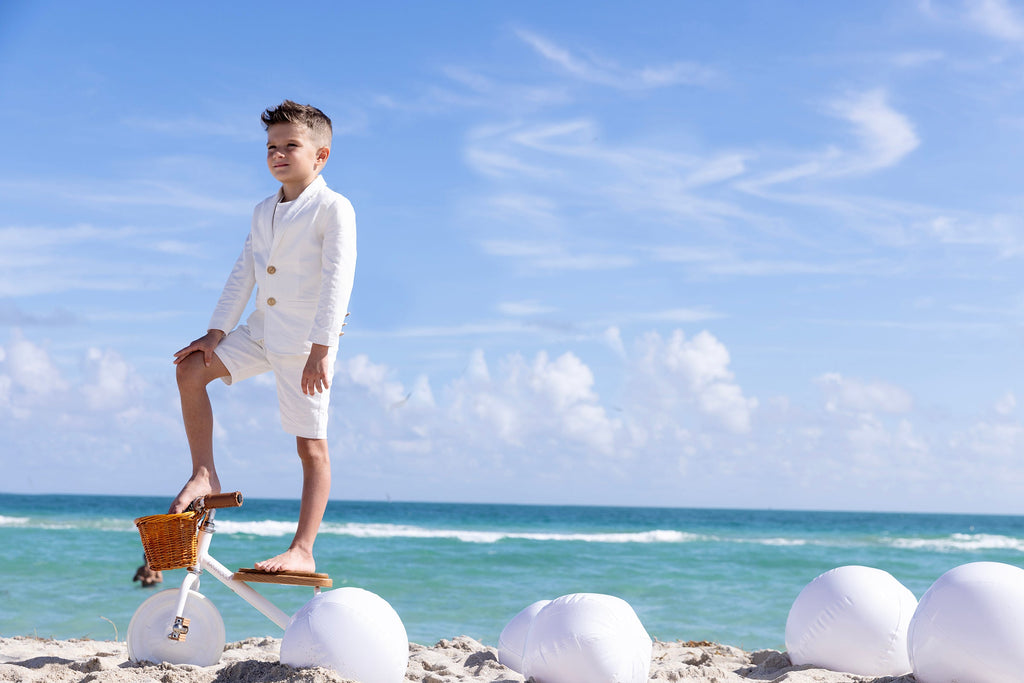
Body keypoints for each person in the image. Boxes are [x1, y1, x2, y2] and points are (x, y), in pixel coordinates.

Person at [170, 100, 356, 574]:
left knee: (310, 445)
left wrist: (321, 350)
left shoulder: (334, 209)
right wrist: (215, 333)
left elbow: (339, 281)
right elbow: (243, 272)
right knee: (190, 369)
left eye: (290, 145)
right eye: (271, 147)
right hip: (260, 331)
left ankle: (302, 548)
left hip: (306, 344)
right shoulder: (261, 210)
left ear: (321, 155)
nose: (278, 154)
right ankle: (205, 472)